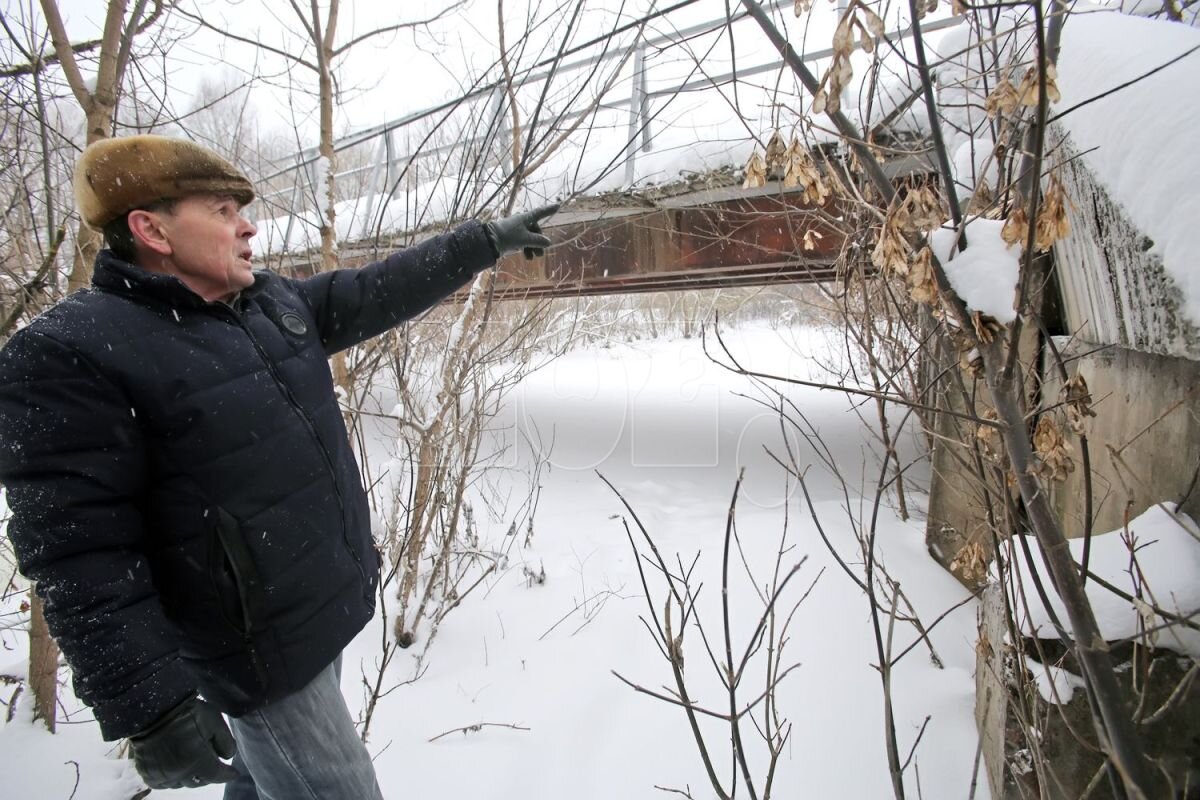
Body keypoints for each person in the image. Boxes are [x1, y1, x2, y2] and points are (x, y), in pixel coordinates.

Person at [0, 134, 556, 798]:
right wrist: (150, 706)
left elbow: (374, 290)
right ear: (152, 229)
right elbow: (77, 549)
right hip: (257, 655)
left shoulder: (264, 305)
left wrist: (481, 242)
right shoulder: (71, 352)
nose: (249, 224)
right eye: (222, 209)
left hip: (322, 609)